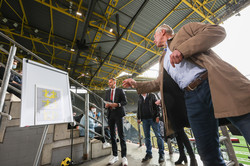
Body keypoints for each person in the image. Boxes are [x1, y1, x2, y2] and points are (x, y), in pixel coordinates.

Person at [123, 22, 250, 166]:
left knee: (245, 122)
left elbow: (217, 31)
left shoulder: (186, 30)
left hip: (212, 83)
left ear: (163, 32)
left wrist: (182, 50)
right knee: (207, 153)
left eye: (154, 35)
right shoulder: (162, 59)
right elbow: (159, 83)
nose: (153, 39)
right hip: (191, 98)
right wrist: (137, 84)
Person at [155, 100, 197, 166]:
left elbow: (171, 99)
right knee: (178, 136)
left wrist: (161, 101)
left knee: (182, 136)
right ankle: (182, 156)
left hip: (176, 114)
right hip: (172, 115)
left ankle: (192, 158)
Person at [105, 78, 128, 166]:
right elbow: (105, 103)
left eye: (110, 82)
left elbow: (125, 102)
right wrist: (106, 105)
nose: (109, 83)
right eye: (108, 82)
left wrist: (117, 104)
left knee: (121, 135)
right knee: (112, 136)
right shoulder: (107, 92)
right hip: (110, 115)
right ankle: (115, 155)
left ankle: (124, 157)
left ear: (114, 82)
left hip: (118, 114)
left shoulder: (120, 90)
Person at [137, 93, 165, 163]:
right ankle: (149, 153)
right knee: (147, 137)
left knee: (158, 136)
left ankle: (161, 154)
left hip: (153, 119)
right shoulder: (140, 97)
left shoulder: (152, 95)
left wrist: (158, 116)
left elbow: (157, 107)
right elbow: (138, 108)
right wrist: (138, 117)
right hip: (144, 120)